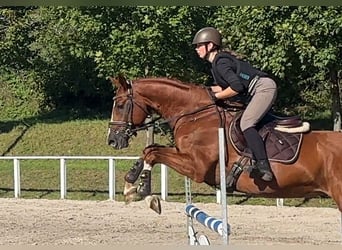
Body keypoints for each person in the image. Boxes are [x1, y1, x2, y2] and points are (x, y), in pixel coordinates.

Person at [192, 27, 277, 182]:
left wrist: (216, 97)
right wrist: (201, 91)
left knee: (246, 123)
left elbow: (236, 87)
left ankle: (264, 166)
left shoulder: (221, 62)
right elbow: (223, 87)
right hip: (257, 90)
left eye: (199, 45)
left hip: (263, 88)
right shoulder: (217, 64)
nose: (196, 49)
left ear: (210, 46)